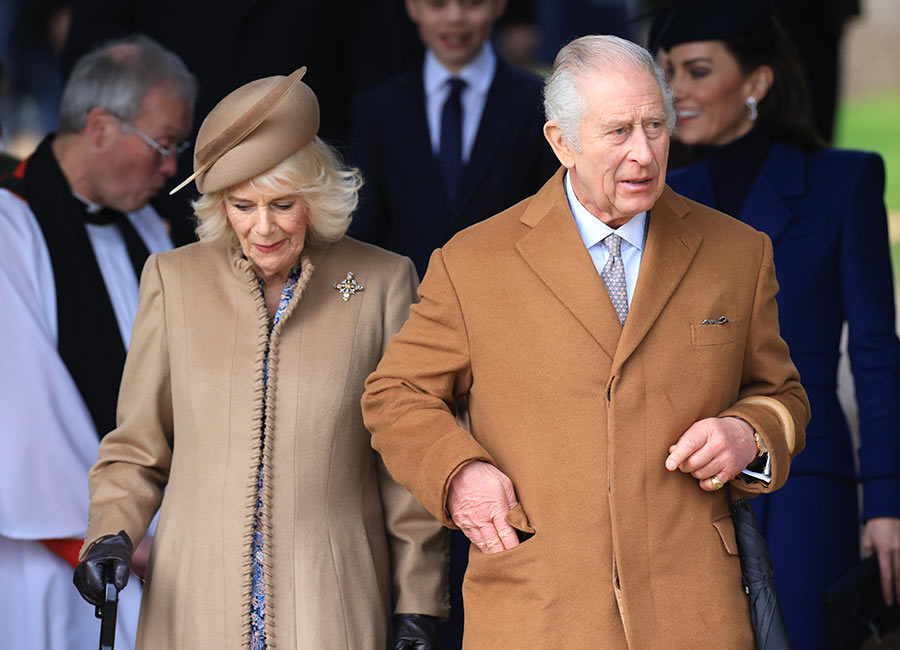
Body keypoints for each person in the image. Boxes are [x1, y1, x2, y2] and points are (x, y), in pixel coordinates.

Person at [362, 34, 810, 649]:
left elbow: (781, 394)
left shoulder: (739, 252)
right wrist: (459, 472)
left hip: (695, 612)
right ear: (561, 142)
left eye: (656, 125)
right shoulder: (471, 262)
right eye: (618, 131)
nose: (645, 154)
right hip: (538, 610)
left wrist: (748, 434)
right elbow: (396, 394)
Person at [72, 68, 449, 649]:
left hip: (335, 594)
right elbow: (136, 449)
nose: (263, 227)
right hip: (192, 597)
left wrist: (419, 601)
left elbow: (405, 467)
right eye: (243, 206)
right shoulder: (173, 281)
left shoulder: (383, 281)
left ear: (317, 200)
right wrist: (108, 535)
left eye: (283, 205)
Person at [650, 2, 900, 647]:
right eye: (667, 71)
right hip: (680, 473)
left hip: (807, 477)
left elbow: (874, 351)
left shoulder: (844, 181)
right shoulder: (654, 195)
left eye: (697, 70)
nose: (676, 90)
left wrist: (886, 500)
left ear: (757, 82)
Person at [0, 35, 195, 649]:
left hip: (164, 533)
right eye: (164, 146)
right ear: (101, 127)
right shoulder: (12, 227)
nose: (171, 169)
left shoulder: (147, 223)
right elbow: (23, 406)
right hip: (56, 547)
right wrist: (112, 531)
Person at [348, 0, 558, 277]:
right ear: (413, 7)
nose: (455, 17)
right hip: (411, 300)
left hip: (510, 294)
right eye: (437, 4)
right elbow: (365, 224)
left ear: (498, 6)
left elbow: (550, 216)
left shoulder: (539, 104)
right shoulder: (378, 108)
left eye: (472, 4)